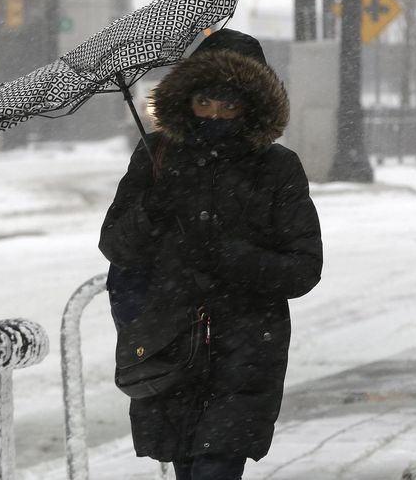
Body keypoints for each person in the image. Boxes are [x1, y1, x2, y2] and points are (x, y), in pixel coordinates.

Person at [98, 28, 323, 480]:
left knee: (217, 464)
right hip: (168, 344)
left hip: (244, 352)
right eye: (205, 102)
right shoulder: (157, 157)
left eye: (229, 104)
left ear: (252, 106)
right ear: (187, 100)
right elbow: (115, 244)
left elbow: (303, 268)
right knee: (187, 466)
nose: (216, 114)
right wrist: (152, 209)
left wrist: (231, 257)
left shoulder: (277, 168)